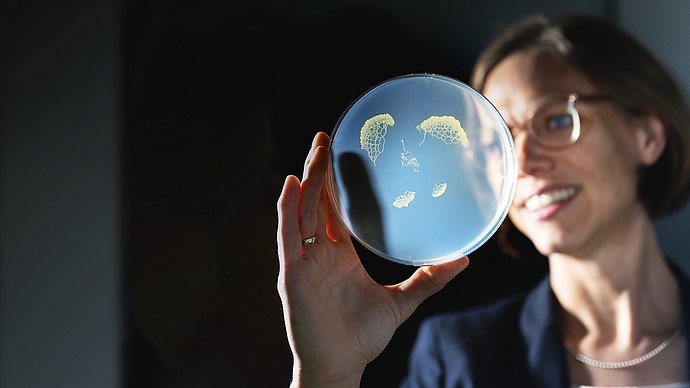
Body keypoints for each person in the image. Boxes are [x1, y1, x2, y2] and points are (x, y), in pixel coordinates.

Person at [276, 14, 690, 387]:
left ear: (648, 136)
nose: (523, 162)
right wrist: (328, 376)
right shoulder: (456, 360)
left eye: (556, 120)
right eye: (500, 141)